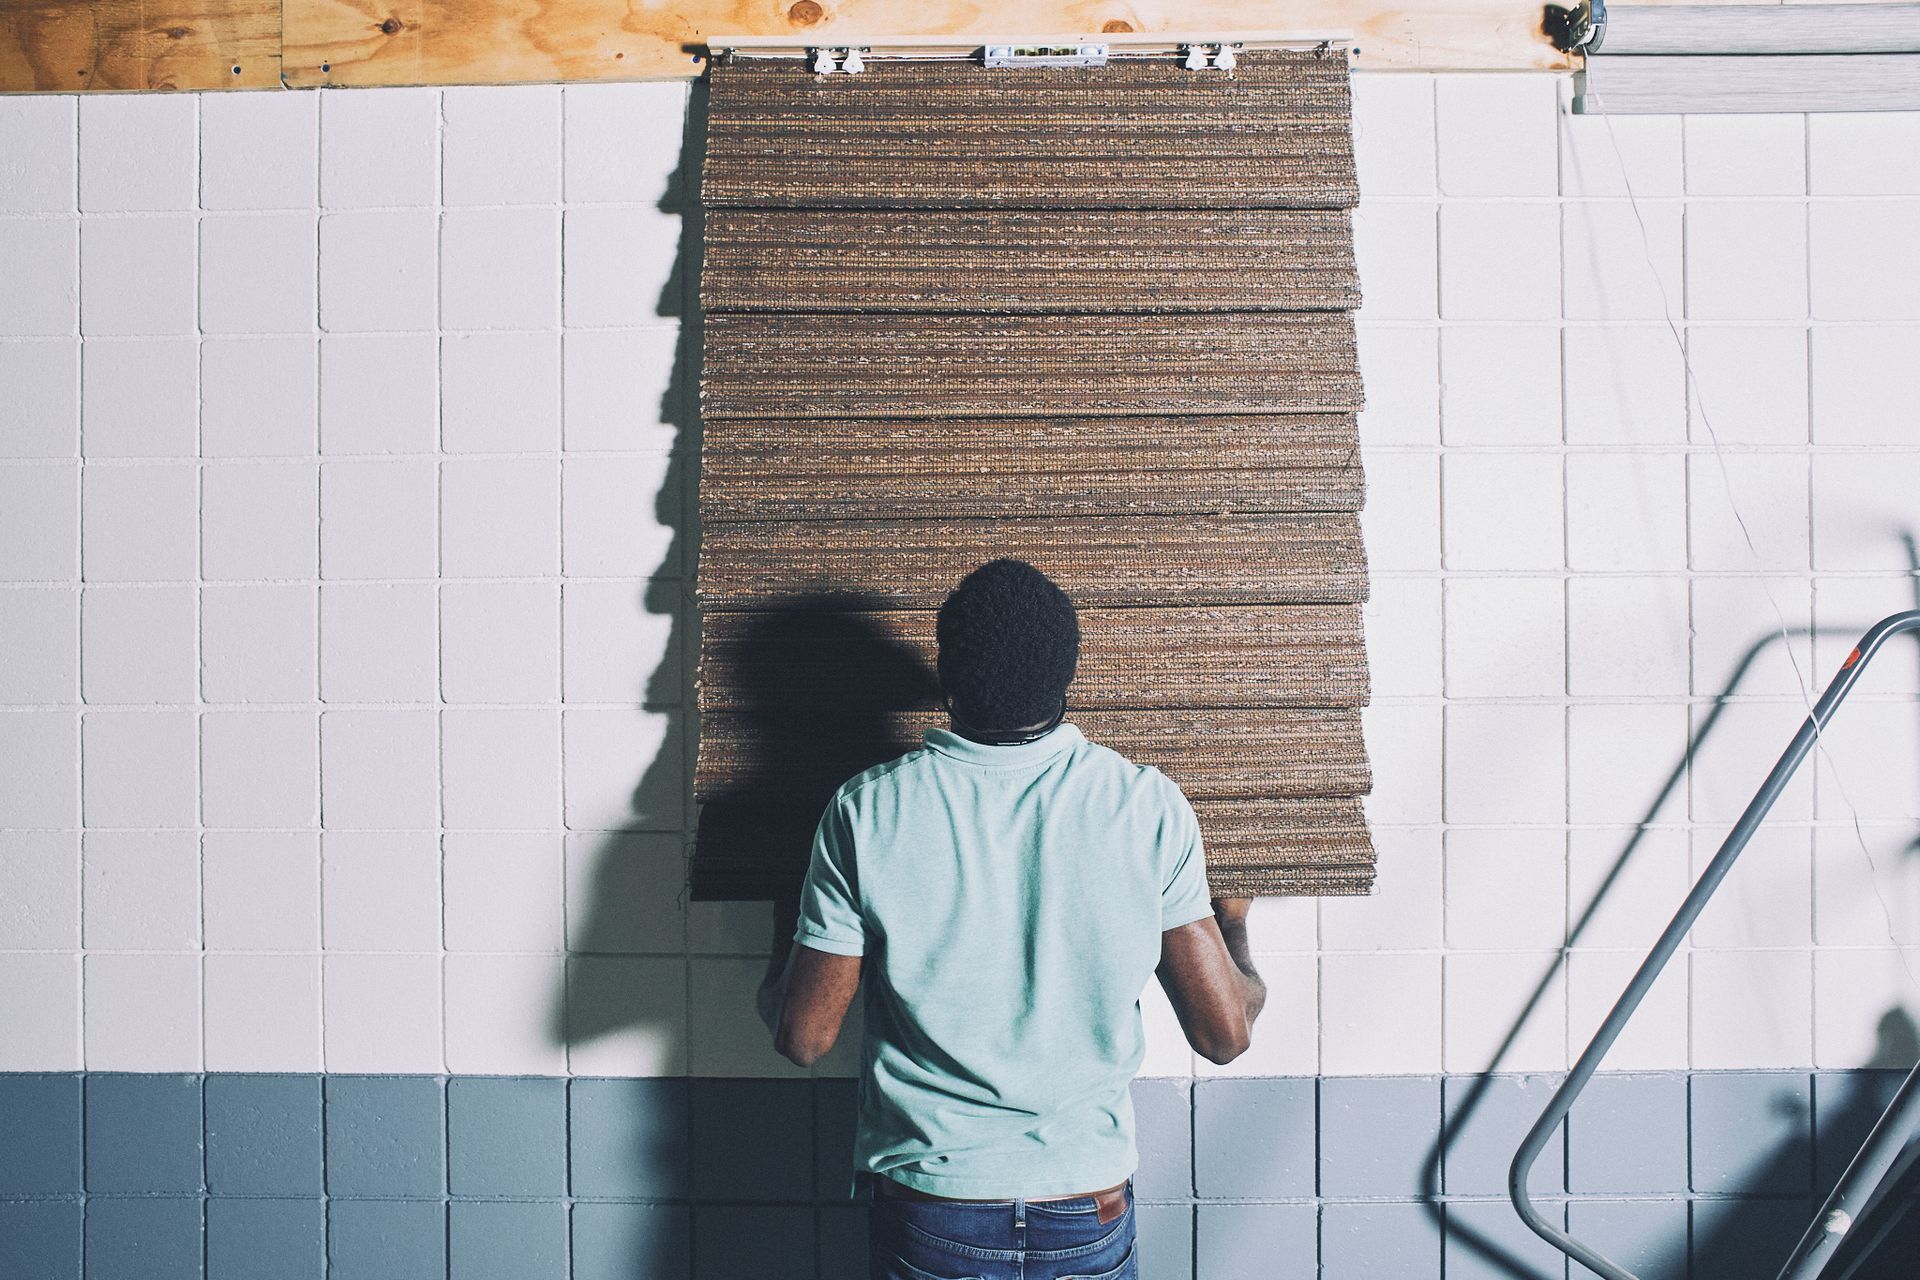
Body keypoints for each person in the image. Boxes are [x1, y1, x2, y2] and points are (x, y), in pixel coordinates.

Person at [755, 557, 1268, 1280]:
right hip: (1086, 1208)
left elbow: (803, 1037)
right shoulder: (1145, 807)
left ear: (945, 675)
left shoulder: (866, 812)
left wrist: (788, 930)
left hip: (932, 1210)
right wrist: (1235, 928)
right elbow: (1225, 1036)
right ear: (1068, 674)